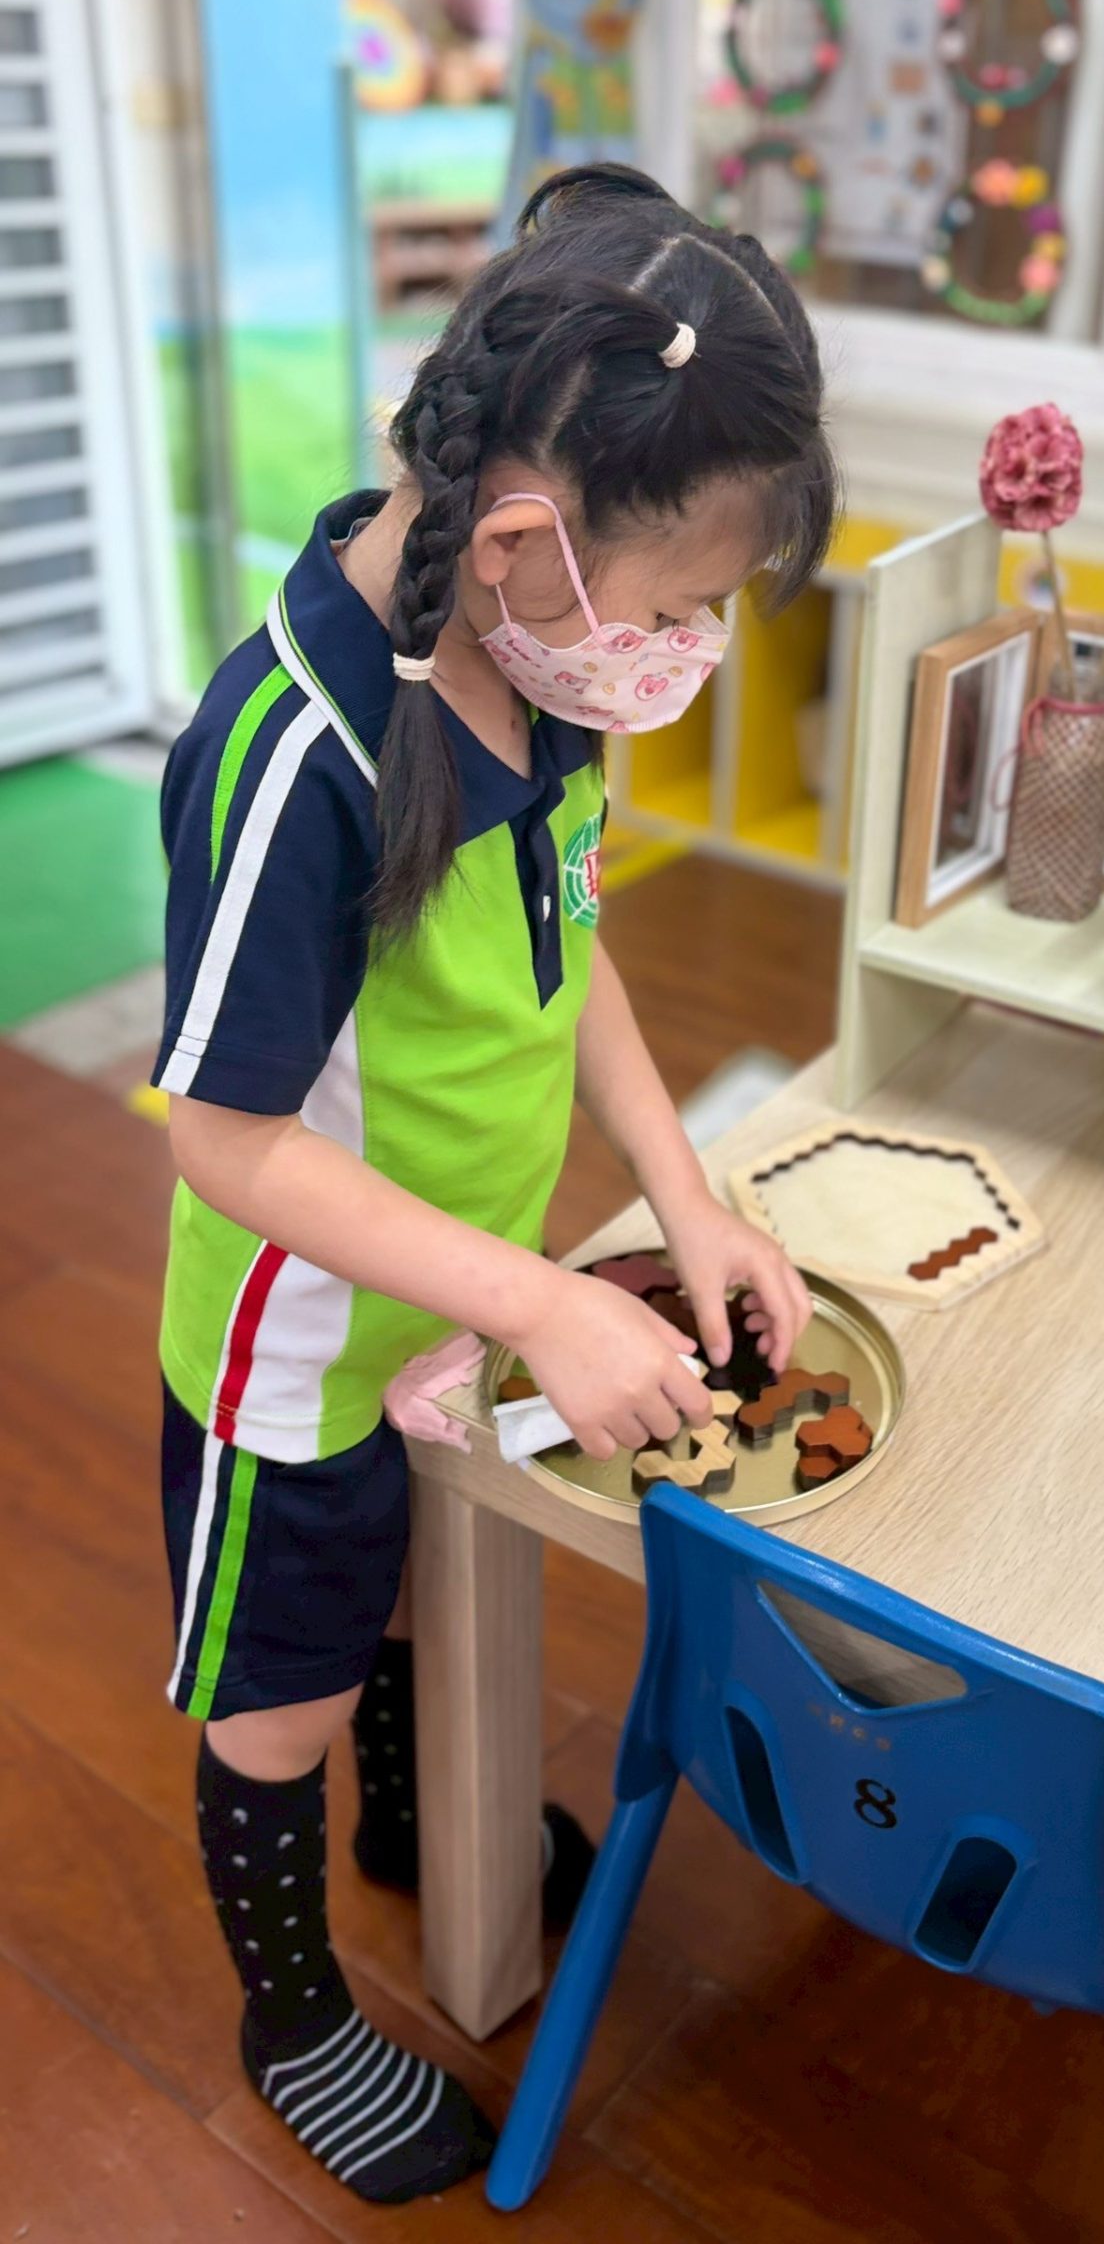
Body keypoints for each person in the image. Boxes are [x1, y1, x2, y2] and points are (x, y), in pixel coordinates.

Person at [153, 164, 838, 2202]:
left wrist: (683, 1196)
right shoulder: (297, 751)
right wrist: (543, 1299)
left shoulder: (536, 660)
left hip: (446, 1285)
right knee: (279, 1687)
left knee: (399, 1592)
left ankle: (408, 1821)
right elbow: (222, 1132)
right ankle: (292, 2009)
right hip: (293, 1343)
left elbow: (570, 944)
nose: (683, 650)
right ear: (528, 542)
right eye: (675, 610)